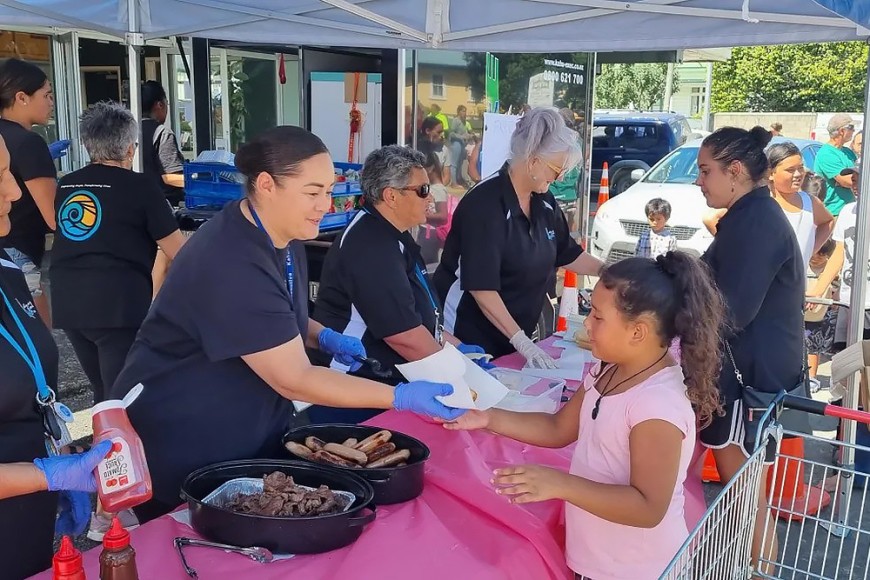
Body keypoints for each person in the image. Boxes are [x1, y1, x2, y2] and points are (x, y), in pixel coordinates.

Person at [110, 126, 465, 524]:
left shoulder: (283, 234)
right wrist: (398, 395)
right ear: (266, 185)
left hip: (245, 424)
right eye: (313, 193)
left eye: (329, 191)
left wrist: (321, 335)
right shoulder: (231, 259)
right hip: (182, 433)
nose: (325, 205)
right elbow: (293, 378)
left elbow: (277, 312)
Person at [443, 252, 725, 579]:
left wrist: (560, 483)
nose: (587, 323)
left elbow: (649, 506)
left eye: (597, 316)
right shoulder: (607, 370)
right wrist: (488, 418)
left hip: (638, 570)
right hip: (598, 563)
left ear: (638, 332)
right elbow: (558, 427)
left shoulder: (657, 404)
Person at [311, 146, 488, 424]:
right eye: (422, 190)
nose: (430, 198)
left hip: (385, 386)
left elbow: (420, 317)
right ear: (391, 196)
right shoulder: (371, 245)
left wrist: (456, 347)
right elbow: (402, 334)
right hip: (355, 395)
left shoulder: (393, 235)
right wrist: (457, 369)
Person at [697, 126, 805, 566]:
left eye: (705, 171)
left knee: (744, 490)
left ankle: (760, 568)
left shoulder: (757, 221)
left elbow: (731, 311)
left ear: (735, 171)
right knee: (743, 489)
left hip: (752, 377)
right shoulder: (747, 216)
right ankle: (753, 564)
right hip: (751, 369)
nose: (699, 181)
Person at [434, 107, 604, 367]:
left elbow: (566, 252)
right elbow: (482, 287)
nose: (558, 179)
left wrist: (607, 270)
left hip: (512, 336)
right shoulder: (485, 205)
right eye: (556, 170)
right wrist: (521, 341)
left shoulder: (543, 200)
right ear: (533, 161)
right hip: (466, 335)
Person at [0, 132, 94, 577]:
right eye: (0, 176)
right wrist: (50, 474)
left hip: (25, 515)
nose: (15, 191)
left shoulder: (8, 269)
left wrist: (59, 454)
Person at [50, 101, 185, 407]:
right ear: (130, 149)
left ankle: (104, 449)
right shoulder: (141, 187)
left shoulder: (67, 184)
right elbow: (178, 250)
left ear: (86, 144)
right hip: (117, 302)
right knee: (123, 395)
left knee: (102, 389)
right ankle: (121, 453)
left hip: (69, 299)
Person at [0, 58, 58, 326]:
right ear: (21, 97)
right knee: (37, 346)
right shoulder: (29, 143)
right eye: (46, 95)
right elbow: (56, 217)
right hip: (19, 254)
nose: (51, 102)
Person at [767, 142, 834, 267]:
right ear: (770, 173)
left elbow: (828, 222)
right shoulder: (758, 202)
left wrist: (809, 250)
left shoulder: (810, 203)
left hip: (795, 283)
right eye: (790, 170)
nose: (798, 174)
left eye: (801, 168)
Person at [141, 80, 186, 207]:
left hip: (136, 202)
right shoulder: (162, 133)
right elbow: (170, 177)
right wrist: (199, 183)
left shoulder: (127, 131)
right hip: (163, 205)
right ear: (159, 104)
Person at [814, 113, 857, 217]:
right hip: (834, 213)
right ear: (842, 131)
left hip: (850, 210)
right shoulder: (826, 154)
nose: (854, 131)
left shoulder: (848, 152)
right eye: (851, 128)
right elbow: (847, 181)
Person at [418, 117, 451, 185]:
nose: (442, 135)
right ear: (427, 131)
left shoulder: (444, 150)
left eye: (442, 132)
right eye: (439, 132)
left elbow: (447, 176)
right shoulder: (416, 149)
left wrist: (438, 188)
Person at [449, 105, 471, 186]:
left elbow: (464, 132)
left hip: (462, 144)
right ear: (458, 112)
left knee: (460, 163)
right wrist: (462, 137)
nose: (465, 113)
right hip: (456, 143)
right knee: (454, 163)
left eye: (465, 111)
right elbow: (452, 133)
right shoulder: (456, 120)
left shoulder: (464, 122)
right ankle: (453, 182)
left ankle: (458, 179)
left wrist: (468, 136)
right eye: (463, 111)